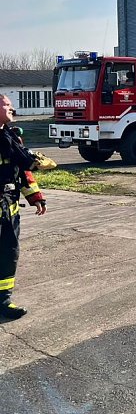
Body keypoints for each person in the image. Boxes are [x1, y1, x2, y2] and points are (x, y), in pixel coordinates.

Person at [1, 94, 50, 320]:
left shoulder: (11, 138)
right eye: (7, 104)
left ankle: (3, 301)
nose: (13, 108)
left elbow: (23, 171)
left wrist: (35, 196)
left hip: (8, 207)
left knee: (8, 253)